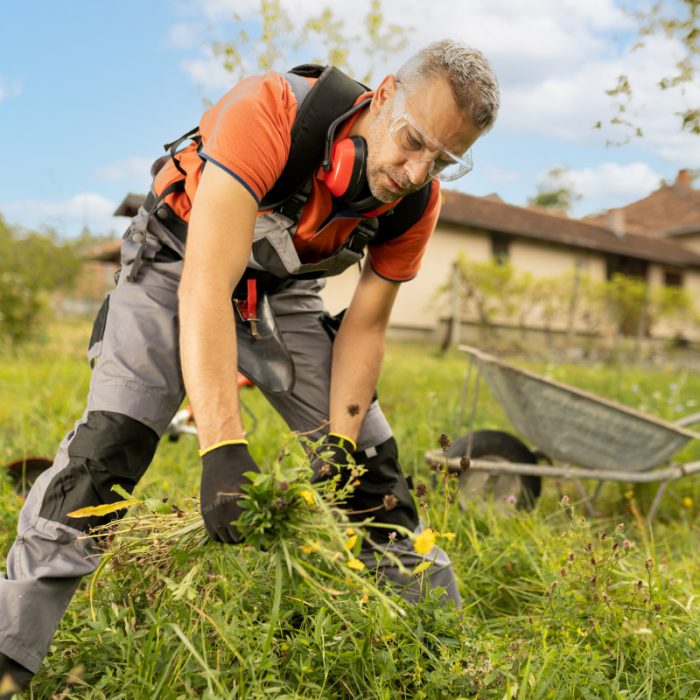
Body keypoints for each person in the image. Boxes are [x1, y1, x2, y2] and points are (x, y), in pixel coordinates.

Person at [0, 39, 499, 695]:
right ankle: (9, 657)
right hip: (176, 263)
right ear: (382, 96)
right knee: (109, 448)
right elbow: (205, 285)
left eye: (442, 160)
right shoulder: (267, 111)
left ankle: (445, 652)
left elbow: (366, 326)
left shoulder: (413, 202)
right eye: (412, 140)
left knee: (371, 472)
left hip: (284, 291)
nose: (414, 169)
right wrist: (224, 447)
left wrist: (341, 447)